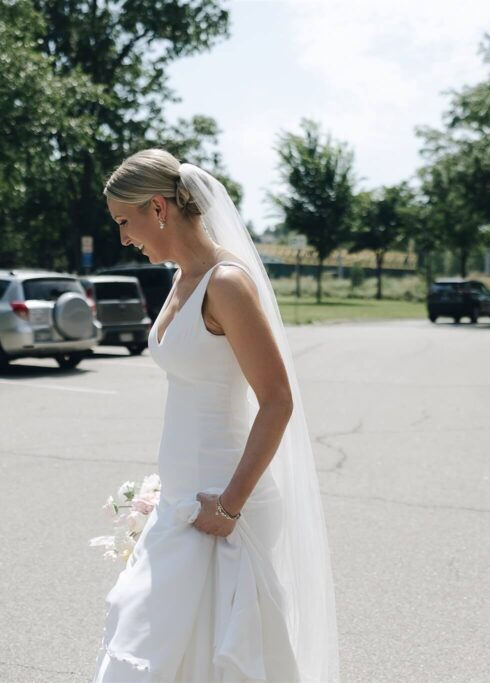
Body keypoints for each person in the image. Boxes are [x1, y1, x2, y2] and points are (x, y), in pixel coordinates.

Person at [93, 149, 338, 682]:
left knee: (207, 656)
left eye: (123, 221)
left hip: (223, 502)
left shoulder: (226, 283)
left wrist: (229, 506)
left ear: (158, 208)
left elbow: (277, 400)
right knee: (170, 652)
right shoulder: (181, 278)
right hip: (182, 496)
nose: (123, 238)